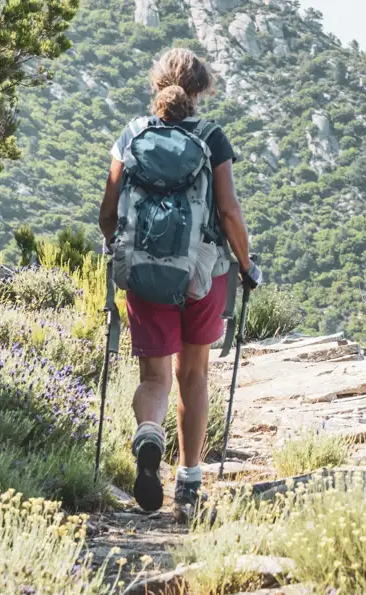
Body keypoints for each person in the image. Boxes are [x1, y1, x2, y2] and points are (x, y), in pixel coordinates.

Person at [98, 48, 261, 521]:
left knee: (154, 378)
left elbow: (108, 213)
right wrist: (247, 266)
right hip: (203, 276)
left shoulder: (131, 136)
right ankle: (189, 483)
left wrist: (122, 251)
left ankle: (149, 431)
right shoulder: (212, 138)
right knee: (195, 375)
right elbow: (229, 211)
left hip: (145, 275)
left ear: (157, 85)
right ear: (200, 90)